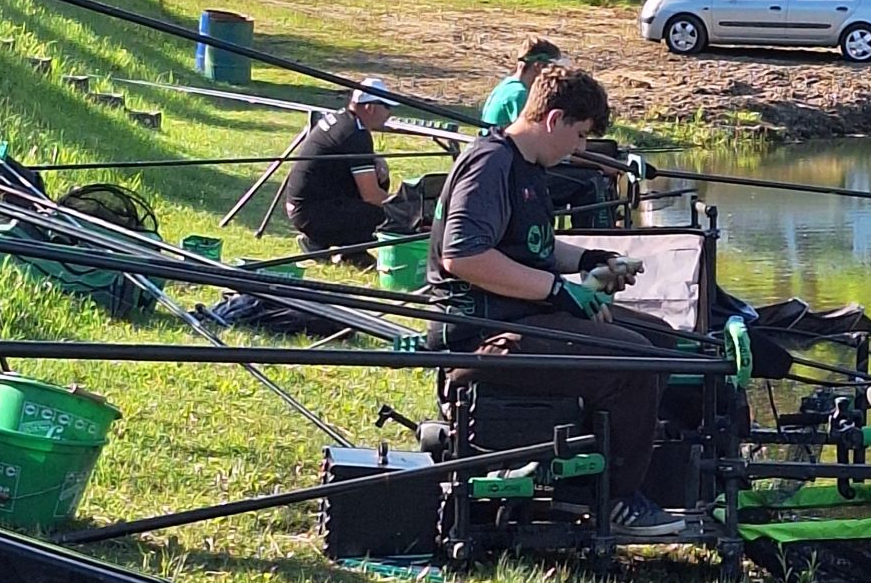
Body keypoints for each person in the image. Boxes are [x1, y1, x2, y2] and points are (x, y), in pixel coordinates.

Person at [428, 63, 683, 538]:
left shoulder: (523, 165)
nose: (580, 149)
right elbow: (463, 257)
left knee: (663, 339)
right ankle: (616, 500)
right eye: (580, 135)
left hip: (523, 318)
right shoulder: (491, 165)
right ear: (553, 120)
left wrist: (592, 258)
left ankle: (596, 472)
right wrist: (557, 290)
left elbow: (534, 248)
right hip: (481, 339)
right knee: (636, 361)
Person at [284, 79, 410, 264]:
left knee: (379, 179)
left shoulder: (343, 119)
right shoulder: (356, 134)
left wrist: (375, 158)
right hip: (312, 213)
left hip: (304, 206)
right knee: (385, 214)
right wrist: (406, 210)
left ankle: (333, 244)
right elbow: (371, 195)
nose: (389, 114)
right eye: (387, 107)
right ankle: (342, 248)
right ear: (370, 107)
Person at [480, 38, 568, 128]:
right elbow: (529, 132)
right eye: (552, 68)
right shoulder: (519, 93)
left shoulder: (508, 85)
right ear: (538, 66)